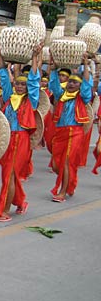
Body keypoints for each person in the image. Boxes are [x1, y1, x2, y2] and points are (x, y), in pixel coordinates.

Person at [0, 49, 41, 221]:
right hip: (8, 139)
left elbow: (35, 83)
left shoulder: (30, 101)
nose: (20, 87)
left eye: (23, 85)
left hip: (21, 140)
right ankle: (20, 201)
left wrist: (35, 58)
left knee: (9, 175)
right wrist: (3, 59)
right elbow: (4, 80)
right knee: (8, 174)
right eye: (18, 84)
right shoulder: (9, 98)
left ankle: (3, 210)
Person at [48, 57, 92, 202]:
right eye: (70, 82)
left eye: (75, 82)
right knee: (56, 164)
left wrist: (85, 65)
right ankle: (70, 181)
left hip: (75, 132)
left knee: (67, 162)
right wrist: (53, 68)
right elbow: (54, 84)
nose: (72, 84)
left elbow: (87, 85)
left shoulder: (82, 97)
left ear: (79, 86)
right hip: (60, 132)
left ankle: (62, 192)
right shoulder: (61, 95)